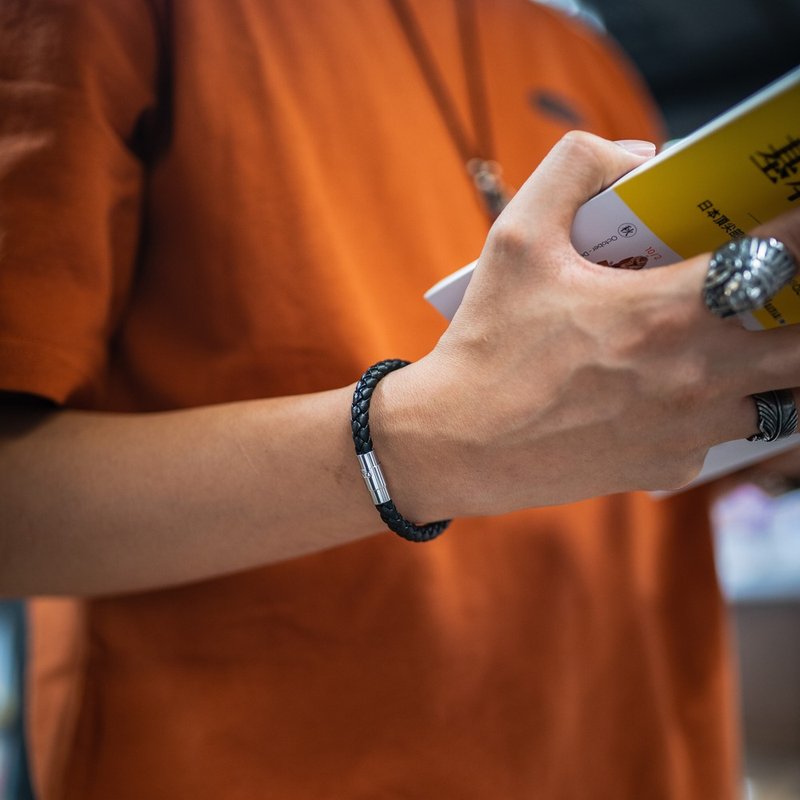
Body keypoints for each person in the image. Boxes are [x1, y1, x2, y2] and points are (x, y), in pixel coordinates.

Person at [1, 1, 799, 798]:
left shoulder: (583, 54)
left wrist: (753, 419)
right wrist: (438, 440)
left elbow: (630, 451)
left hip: (642, 756)